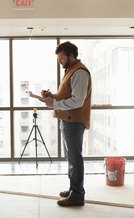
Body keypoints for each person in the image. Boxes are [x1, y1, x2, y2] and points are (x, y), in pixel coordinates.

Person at [41, 41, 92, 207]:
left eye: (62, 58)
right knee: (70, 158)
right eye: (58, 59)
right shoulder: (71, 70)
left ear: (71, 56)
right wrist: (53, 96)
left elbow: (77, 101)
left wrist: (53, 104)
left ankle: (77, 195)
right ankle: (73, 189)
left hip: (74, 121)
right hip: (68, 120)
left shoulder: (80, 72)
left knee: (75, 159)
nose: (60, 62)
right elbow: (67, 95)